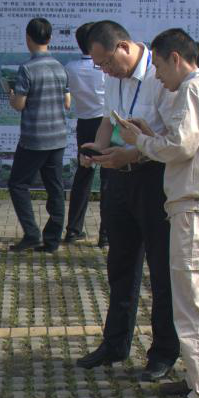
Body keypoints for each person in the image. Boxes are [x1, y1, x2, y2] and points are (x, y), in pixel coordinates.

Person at [120, 29, 199, 398]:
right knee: (193, 301)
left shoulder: (191, 90)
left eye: (158, 66)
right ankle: (198, 380)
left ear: (175, 58)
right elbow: (191, 143)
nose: (157, 75)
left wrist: (141, 142)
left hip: (194, 207)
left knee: (192, 305)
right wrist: (152, 136)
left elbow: (182, 146)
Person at [74, 20, 180, 380]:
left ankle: (163, 352)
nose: (105, 70)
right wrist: (98, 149)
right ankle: (115, 343)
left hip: (154, 178)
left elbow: (171, 138)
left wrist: (131, 154)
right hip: (118, 176)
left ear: (123, 47)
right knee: (120, 264)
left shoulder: (159, 75)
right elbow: (110, 120)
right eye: (99, 66)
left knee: (161, 268)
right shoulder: (113, 77)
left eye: (106, 63)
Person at [7, 17, 71, 253]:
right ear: (50, 38)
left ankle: (32, 234)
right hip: (58, 137)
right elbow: (67, 102)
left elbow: (20, 104)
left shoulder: (27, 68)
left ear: (28, 38)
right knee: (55, 188)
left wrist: (12, 96)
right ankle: (52, 240)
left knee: (17, 184)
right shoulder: (60, 67)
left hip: (34, 139)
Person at [63, 22, 109, 247]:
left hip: (85, 124)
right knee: (108, 178)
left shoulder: (71, 67)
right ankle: (105, 234)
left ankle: (73, 230)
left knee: (83, 175)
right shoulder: (105, 67)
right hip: (107, 123)